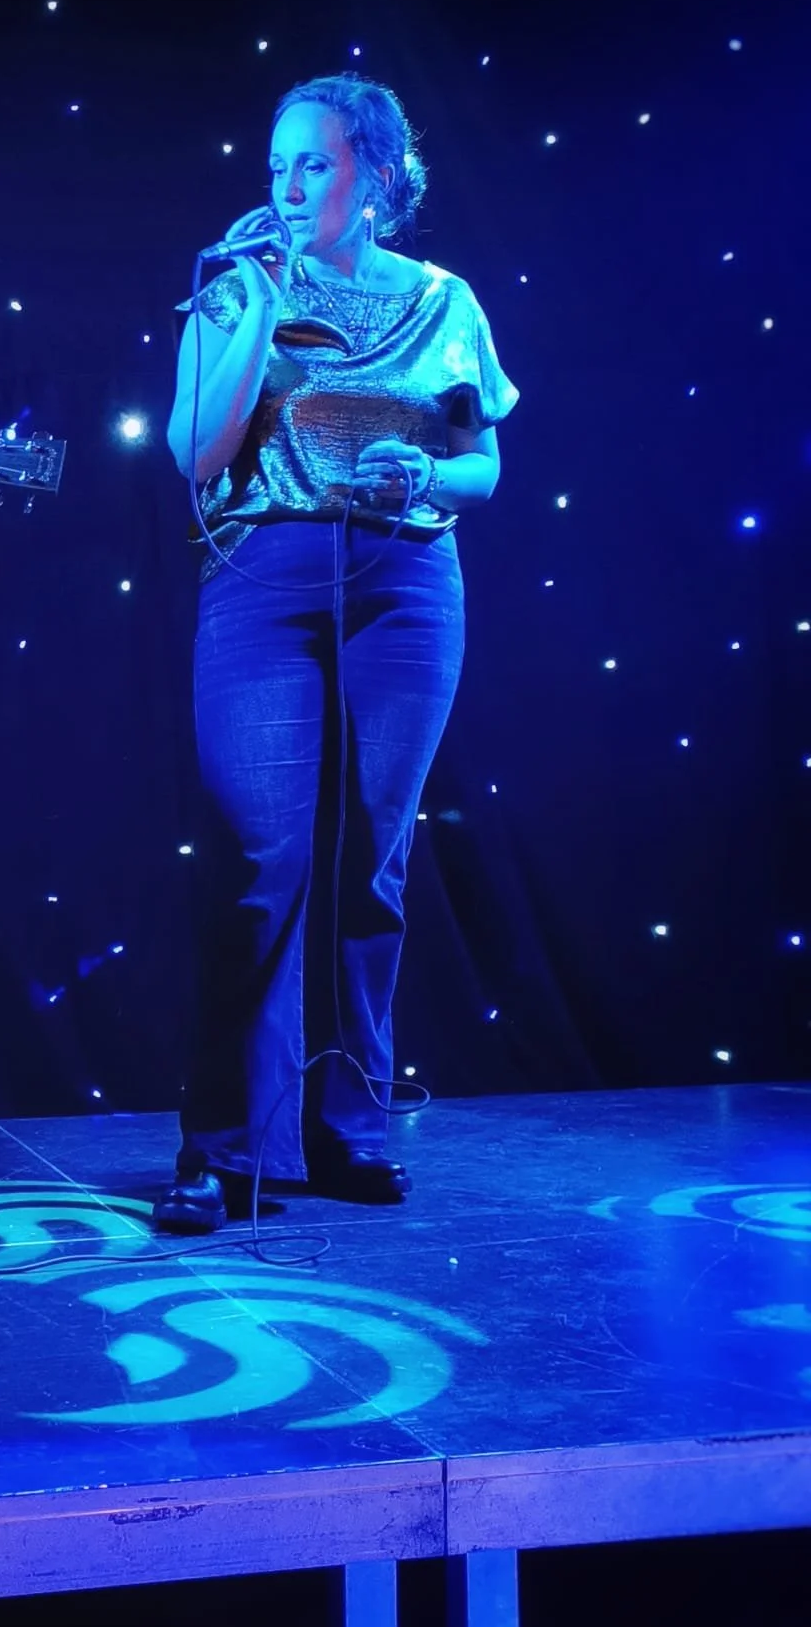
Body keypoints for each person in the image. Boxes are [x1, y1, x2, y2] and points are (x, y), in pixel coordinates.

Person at [155, 72, 517, 1233]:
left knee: (373, 857)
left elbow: (483, 467)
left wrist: (431, 471)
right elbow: (195, 455)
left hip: (407, 580)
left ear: (376, 173)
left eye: (314, 161)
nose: (289, 183)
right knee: (262, 856)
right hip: (265, 573)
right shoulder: (234, 286)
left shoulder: (444, 300)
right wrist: (258, 306)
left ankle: (350, 1125)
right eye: (278, 164)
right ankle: (226, 1146)